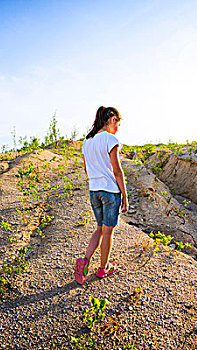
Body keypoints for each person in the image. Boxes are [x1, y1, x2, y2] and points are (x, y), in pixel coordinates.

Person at [74, 106, 129, 285]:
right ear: (112, 119)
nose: (118, 128)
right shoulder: (110, 139)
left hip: (94, 190)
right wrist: (125, 195)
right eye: (118, 123)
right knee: (108, 231)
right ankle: (103, 268)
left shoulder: (87, 141)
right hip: (110, 191)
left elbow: (86, 168)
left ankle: (85, 261)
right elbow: (117, 171)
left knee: (99, 228)